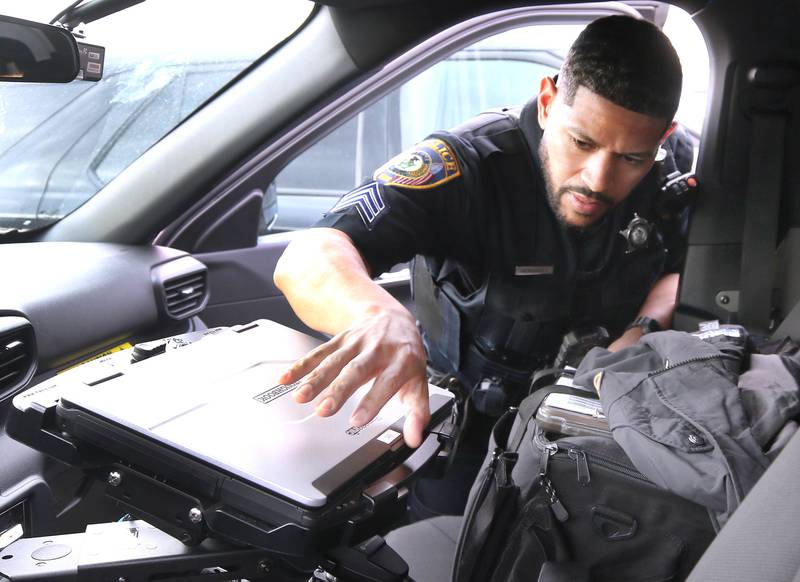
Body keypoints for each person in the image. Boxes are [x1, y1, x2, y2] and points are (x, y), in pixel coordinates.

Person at [273, 15, 686, 453]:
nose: (599, 180)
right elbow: (308, 255)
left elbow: (683, 267)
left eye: (631, 159)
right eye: (582, 143)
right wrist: (376, 316)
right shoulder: (465, 165)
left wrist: (639, 332)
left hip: (594, 427)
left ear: (664, 137)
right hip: (467, 428)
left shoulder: (668, 167)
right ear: (547, 102)